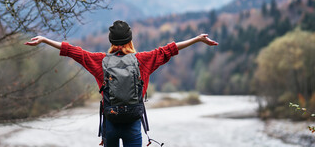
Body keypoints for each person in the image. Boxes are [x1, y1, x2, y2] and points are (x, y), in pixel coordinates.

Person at [25, 20, 218, 147]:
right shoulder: (143, 60)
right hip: (133, 123)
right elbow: (170, 49)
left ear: (111, 41)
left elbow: (73, 51)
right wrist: (197, 40)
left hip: (110, 123)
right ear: (130, 40)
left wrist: (45, 40)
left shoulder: (100, 61)